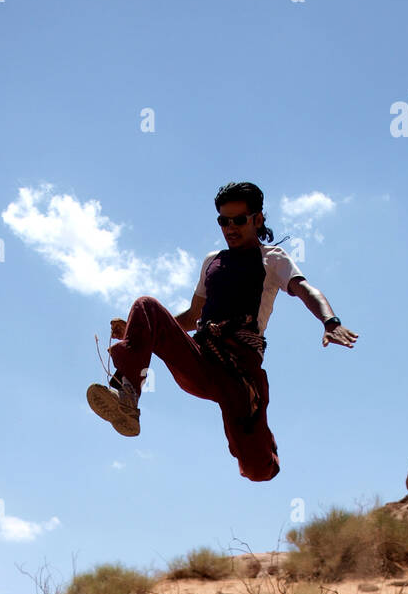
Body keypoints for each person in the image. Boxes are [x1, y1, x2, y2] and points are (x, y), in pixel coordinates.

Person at [86, 181, 358, 482]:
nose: (230, 227)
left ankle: (264, 445)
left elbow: (305, 289)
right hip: (201, 358)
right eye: (223, 221)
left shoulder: (272, 259)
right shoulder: (212, 262)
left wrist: (330, 322)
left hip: (238, 372)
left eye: (238, 220)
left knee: (257, 469)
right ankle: (126, 400)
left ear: (257, 219)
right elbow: (192, 316)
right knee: (145, 305)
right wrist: (140, 331)